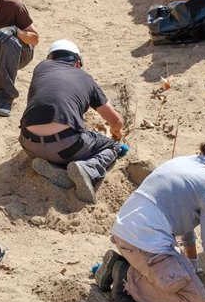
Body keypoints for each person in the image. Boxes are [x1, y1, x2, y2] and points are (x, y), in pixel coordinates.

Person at [94, 129, 205, 302]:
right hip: (145, 244)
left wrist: (193, 260)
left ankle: (127, 267)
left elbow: (184, 220)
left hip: (123, 233)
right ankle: (125, 277)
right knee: (196, 300)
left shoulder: (184, 162)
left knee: (183, 271)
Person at [18, 39, 125, 204]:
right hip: (66, 146)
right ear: (77, 62)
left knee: (62, 142)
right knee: (112, 147)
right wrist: (116, 133)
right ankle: (87, 170)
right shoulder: (85, 78)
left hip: (28, 144)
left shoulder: (40, 68)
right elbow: (115, 121)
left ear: (50, 59)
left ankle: (56, 168)